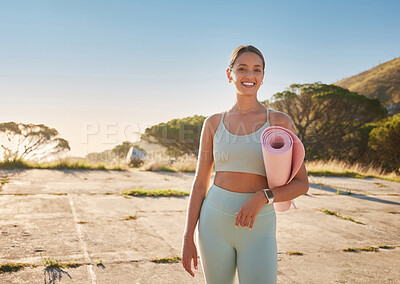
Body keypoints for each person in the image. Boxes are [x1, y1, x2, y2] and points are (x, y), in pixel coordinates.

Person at [181, 45, 309, 284]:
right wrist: (188, 236)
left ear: (263, 77)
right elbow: (200, 184)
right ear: (230, 75)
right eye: (242, 69)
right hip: (213, 224)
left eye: (256, 70)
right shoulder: (213, 123)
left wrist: (264, 196)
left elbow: (302, 184)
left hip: (259, 226)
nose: (249, 75)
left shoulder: (279, 121)